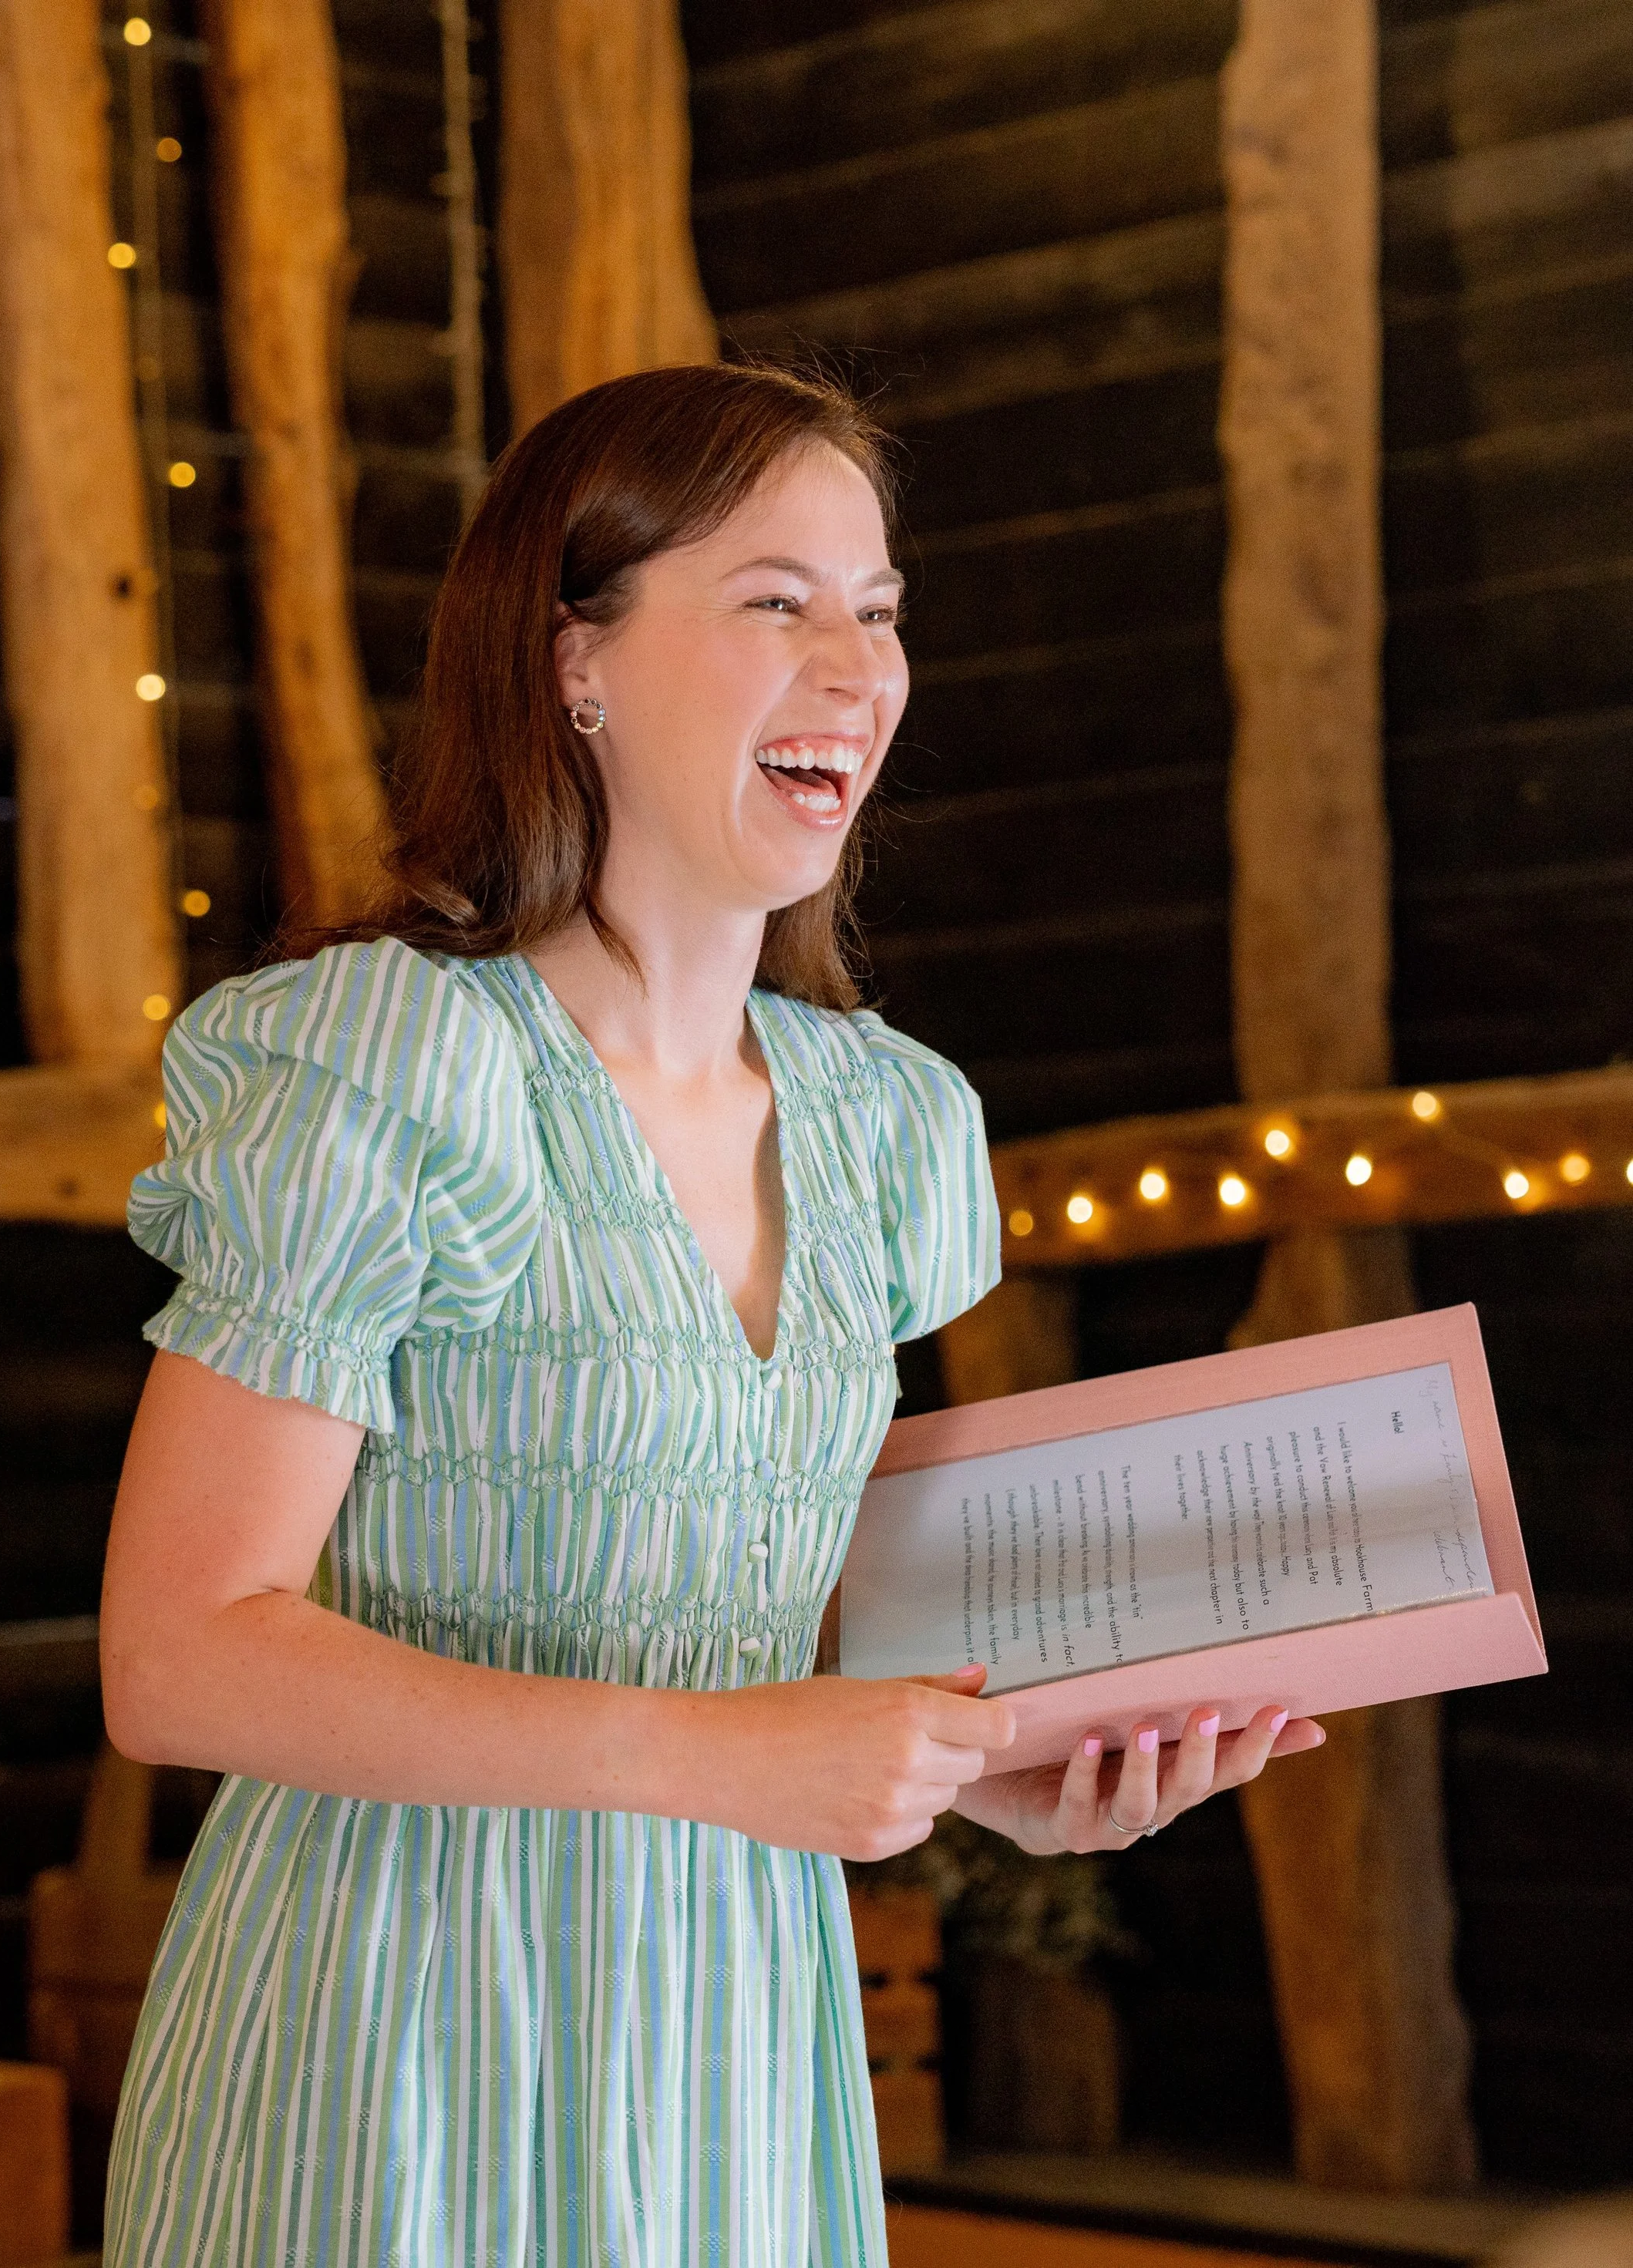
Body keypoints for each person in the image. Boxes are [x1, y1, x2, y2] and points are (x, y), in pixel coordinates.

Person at [96, 363, 1321, 2265]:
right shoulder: (384, 1066)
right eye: (775, 602)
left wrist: (994, 1775)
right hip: (395, 2046)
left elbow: (761, 1615)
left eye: (879, 612)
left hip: (737, 2036)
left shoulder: (881, 1122)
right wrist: (718, 1757)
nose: (856, 666)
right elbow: (177, 1656)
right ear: (572, 658)